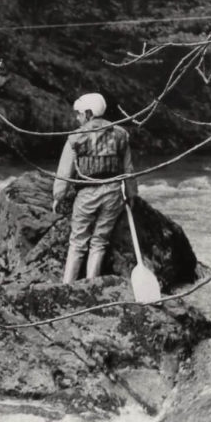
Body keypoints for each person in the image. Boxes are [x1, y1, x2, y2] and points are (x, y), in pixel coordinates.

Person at [52, 93, 136, 283]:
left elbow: (64, 173)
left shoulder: (75, 138)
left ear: (89, 113)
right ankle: (92, 283)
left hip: (87, 194)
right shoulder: (121, 134)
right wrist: (131, 194)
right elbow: (128, 170)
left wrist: (58, 196)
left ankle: (67, 285)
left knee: (77, 242)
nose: (77, 118)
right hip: (114, 193)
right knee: (99, 241)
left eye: (79, 114)